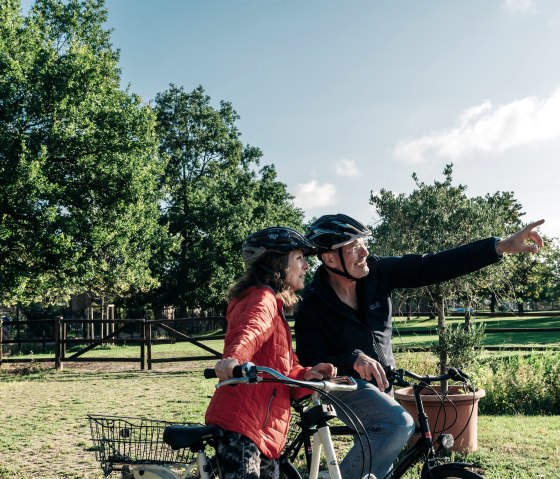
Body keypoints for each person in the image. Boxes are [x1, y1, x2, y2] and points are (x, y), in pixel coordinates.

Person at [294, 213, 544, 479]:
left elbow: (433, 265)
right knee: (397, 424)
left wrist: (499, 246)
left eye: (364, 243)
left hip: (382, 385)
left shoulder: (378, 272)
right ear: (330, 258)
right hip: (342, 386)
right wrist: (353, 358)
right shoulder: (312, 302)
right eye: (353, 247)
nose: (364, 251)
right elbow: (310, 358)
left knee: (381, 467)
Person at [205, 226, 337, 479]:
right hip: (243, 424)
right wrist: (234, 359)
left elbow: (283, 370)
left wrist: (309, 374)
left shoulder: (275, 307)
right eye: (299, 258)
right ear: (277, 262)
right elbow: (251, 331)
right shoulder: (262, 299)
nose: (307, 266)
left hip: (263, 430)